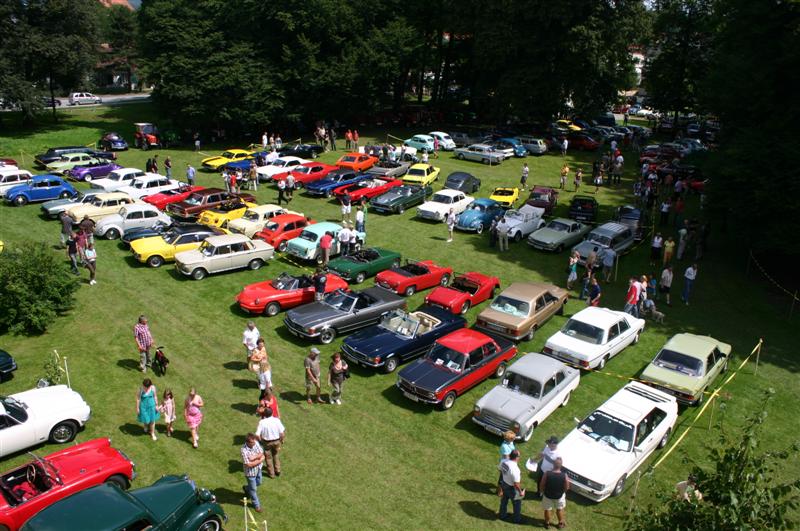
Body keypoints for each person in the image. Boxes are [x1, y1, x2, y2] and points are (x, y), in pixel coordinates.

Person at [539, 457, 569, 529]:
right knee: (560, 509)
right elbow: (567, 487)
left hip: (547, 495)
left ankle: (547, 523)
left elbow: (542, 484)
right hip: (559, 496)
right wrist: (563, 492)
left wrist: (542, 491)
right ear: (561, 465)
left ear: (553, 464)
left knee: (548, 509)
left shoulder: (547, 473)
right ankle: (561, 523)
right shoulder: (564, 475)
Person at [255, 406, 285, 478]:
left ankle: (271, 474)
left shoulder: (262, 422)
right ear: (272, 413)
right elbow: (282, 433)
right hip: (276, 441)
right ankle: (277, 470)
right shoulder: (277, 420)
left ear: (264, 414)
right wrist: (282, 440)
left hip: (267, 442)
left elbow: (257, 435)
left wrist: (261, 441)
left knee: (268, 458)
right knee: (276, 455)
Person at [498, 449, 524, 524]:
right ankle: (517, 519)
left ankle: (502, 515)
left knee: (504, 500)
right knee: (517, 504)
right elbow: (516, 484)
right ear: (517, 457)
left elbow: (500, 470)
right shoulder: (516, 470)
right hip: (511, 488)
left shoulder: (503, 462)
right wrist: (520, 492)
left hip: (504, 483)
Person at [241, 433, 265, 513]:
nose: (255, 443)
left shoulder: (255, 443)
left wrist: (254, 458)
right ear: (248, 442)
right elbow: (249, 464)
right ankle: (257, 505)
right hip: (250, 473)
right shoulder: (243, 450)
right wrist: (260, 460)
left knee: (259, 482)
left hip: (258, 469)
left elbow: (261, 453)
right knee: (253, 489)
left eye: (254, 441)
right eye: (253, 442)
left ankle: (247, 488)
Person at [498, 431, 516, 496]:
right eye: (513, 438)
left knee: (506, 477)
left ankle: (504, 488)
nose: (514, 438)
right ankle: (500, 491)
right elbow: (507, 457)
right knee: (502, 478)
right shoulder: (504, 446)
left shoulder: (510, 442)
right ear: (508, 439)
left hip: (510, 462)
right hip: (505, 464)